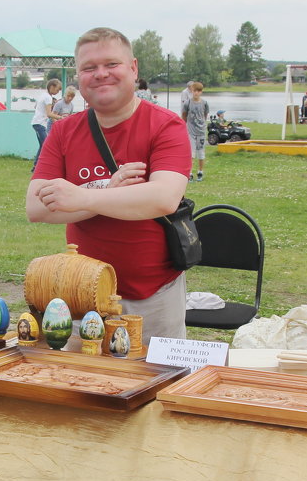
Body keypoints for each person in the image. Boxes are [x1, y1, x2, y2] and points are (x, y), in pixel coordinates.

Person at [27, 27, 191, 342]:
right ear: (78, 76)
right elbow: (35, 207)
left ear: (133, 68)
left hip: (154, 295)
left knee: (158, 384)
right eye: (89, 68)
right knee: (82, 383)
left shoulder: (167, 125)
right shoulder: (63, 132)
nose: (101, 74)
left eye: (111, 64)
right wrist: (109, 191)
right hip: (80, 293)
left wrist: (79, 197)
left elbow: (163, 198)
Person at [30, 79, 61, 171]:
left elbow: (35, 107)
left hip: (37, 122)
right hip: (40, 123)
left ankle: (36, 166)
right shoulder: (48, 98)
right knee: (46, 145)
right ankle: (44, 166)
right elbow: (49, 114)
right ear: (52, 87)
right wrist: (61, 118)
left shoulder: (43, 95)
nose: (58, 92)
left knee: (42, 145)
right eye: (57, 89)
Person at [181, 81, 209, 181]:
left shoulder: (204, 103)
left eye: (198, 91)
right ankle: (190, 173)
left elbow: (205, 115)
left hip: (201, 131)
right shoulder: (188, 103)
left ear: (201, 92)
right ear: (192, 91)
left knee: (201, 153)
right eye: (194, 91)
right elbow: (184, 115)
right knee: (191, 153)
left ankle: (200, 172)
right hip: (191, 131)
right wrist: (185, 125)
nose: (196, 93)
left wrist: (202, 124)